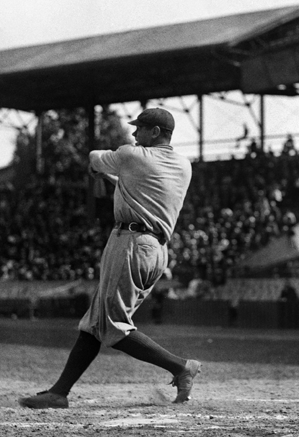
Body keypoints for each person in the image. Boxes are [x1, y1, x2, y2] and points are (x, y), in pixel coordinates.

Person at [19, 107, 201, 409]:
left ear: (155, 132)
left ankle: (181, 366)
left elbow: (94, 156)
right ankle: (59, 391)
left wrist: (99, 169)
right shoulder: (183, 164)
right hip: (156, 250)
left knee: (113, 326)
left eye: (140, 128)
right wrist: (114, 178)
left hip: (130, 243)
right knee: (95, 323)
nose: (134, 133)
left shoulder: (133, 155)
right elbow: (142, 188)